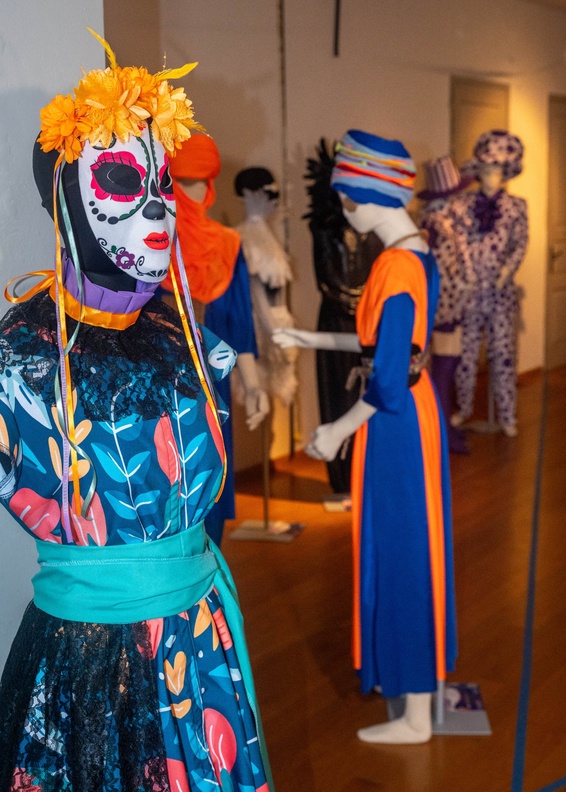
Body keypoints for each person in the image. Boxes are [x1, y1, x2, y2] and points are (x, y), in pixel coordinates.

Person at [0, 31, 272, 791]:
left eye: (161, 182)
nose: (156, 206)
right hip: (87, 664)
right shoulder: (18, 357)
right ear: (65, 198)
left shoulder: (180, 332)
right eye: (123, 180)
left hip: (200, 641)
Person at [274, 130, 457, 744]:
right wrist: (310, 339)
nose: (345, 211)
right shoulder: (415, 253)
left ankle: (415, 716)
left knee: (403, 552)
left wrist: (336, 430)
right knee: (410, 546)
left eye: (347, 199)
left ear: (367, 196)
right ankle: (417, 699)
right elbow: (386, 345)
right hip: (409, 413)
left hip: (395, 421)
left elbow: (388, 376)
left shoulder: (396, 265)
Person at [161, 134, 269, 546]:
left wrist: (254, 385)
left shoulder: (225, 244)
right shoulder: (155, 241)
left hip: (205, 389)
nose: (198, 191)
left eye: (202, 181)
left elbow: (240, 322)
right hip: (166, 388)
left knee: (207, 487)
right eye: (189, 180)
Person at [303, 139, 382, 493]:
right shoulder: (324, 226)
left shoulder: (373, 225)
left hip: (367, 319)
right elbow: (329, 281)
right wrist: (362, 303)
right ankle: (344, 478)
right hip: (339, 320)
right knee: (338, 395)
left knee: (367, 396)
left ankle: (366, 474)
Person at [450, 130, 528, 437]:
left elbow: (520, 244)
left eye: (497, 170)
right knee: (467, 355)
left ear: (505, 173)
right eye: (486, 169)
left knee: (502, 354)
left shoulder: (517, 206)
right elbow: (458, 244)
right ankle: (464, 408)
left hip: (500, 293)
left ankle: (507, 415)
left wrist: (507, 272)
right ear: (478, 172)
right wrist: (465, 274)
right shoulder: (463, 205)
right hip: (470, 293)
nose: (491, 176)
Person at [416, 155, 473, 454]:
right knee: (443, 368)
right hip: (444, 310)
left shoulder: (442, 223)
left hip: (447, 307)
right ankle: (440, 431)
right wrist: (454, 303)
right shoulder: (436, 227)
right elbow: (439, 273)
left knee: (445, 368)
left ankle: (444, 426)